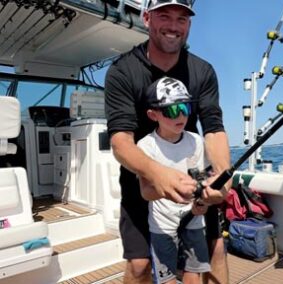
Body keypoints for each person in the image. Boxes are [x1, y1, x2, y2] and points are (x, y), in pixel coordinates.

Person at [104, 1, 231, 283]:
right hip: (142, 175)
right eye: (164, 16)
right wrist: (156, 173)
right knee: (139, 265)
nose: (174, 26)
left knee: (215, 250)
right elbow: (121, 141)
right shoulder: (122, 72)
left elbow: (213, 128)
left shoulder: (203, 71)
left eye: (182, 19)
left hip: (192, 174)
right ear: (147, 18)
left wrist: (222, 175)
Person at [138, 77, 210, 284]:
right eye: (171, 110)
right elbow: (146, 192)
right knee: (167, 278)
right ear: (153, 115)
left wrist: (201, 203)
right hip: (162, 224)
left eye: (184, 107)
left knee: (193, 273)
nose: (180, 114)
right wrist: (170, 189)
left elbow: (200, 179)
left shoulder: (196, 141)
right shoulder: (145, 147)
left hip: (194, 219)